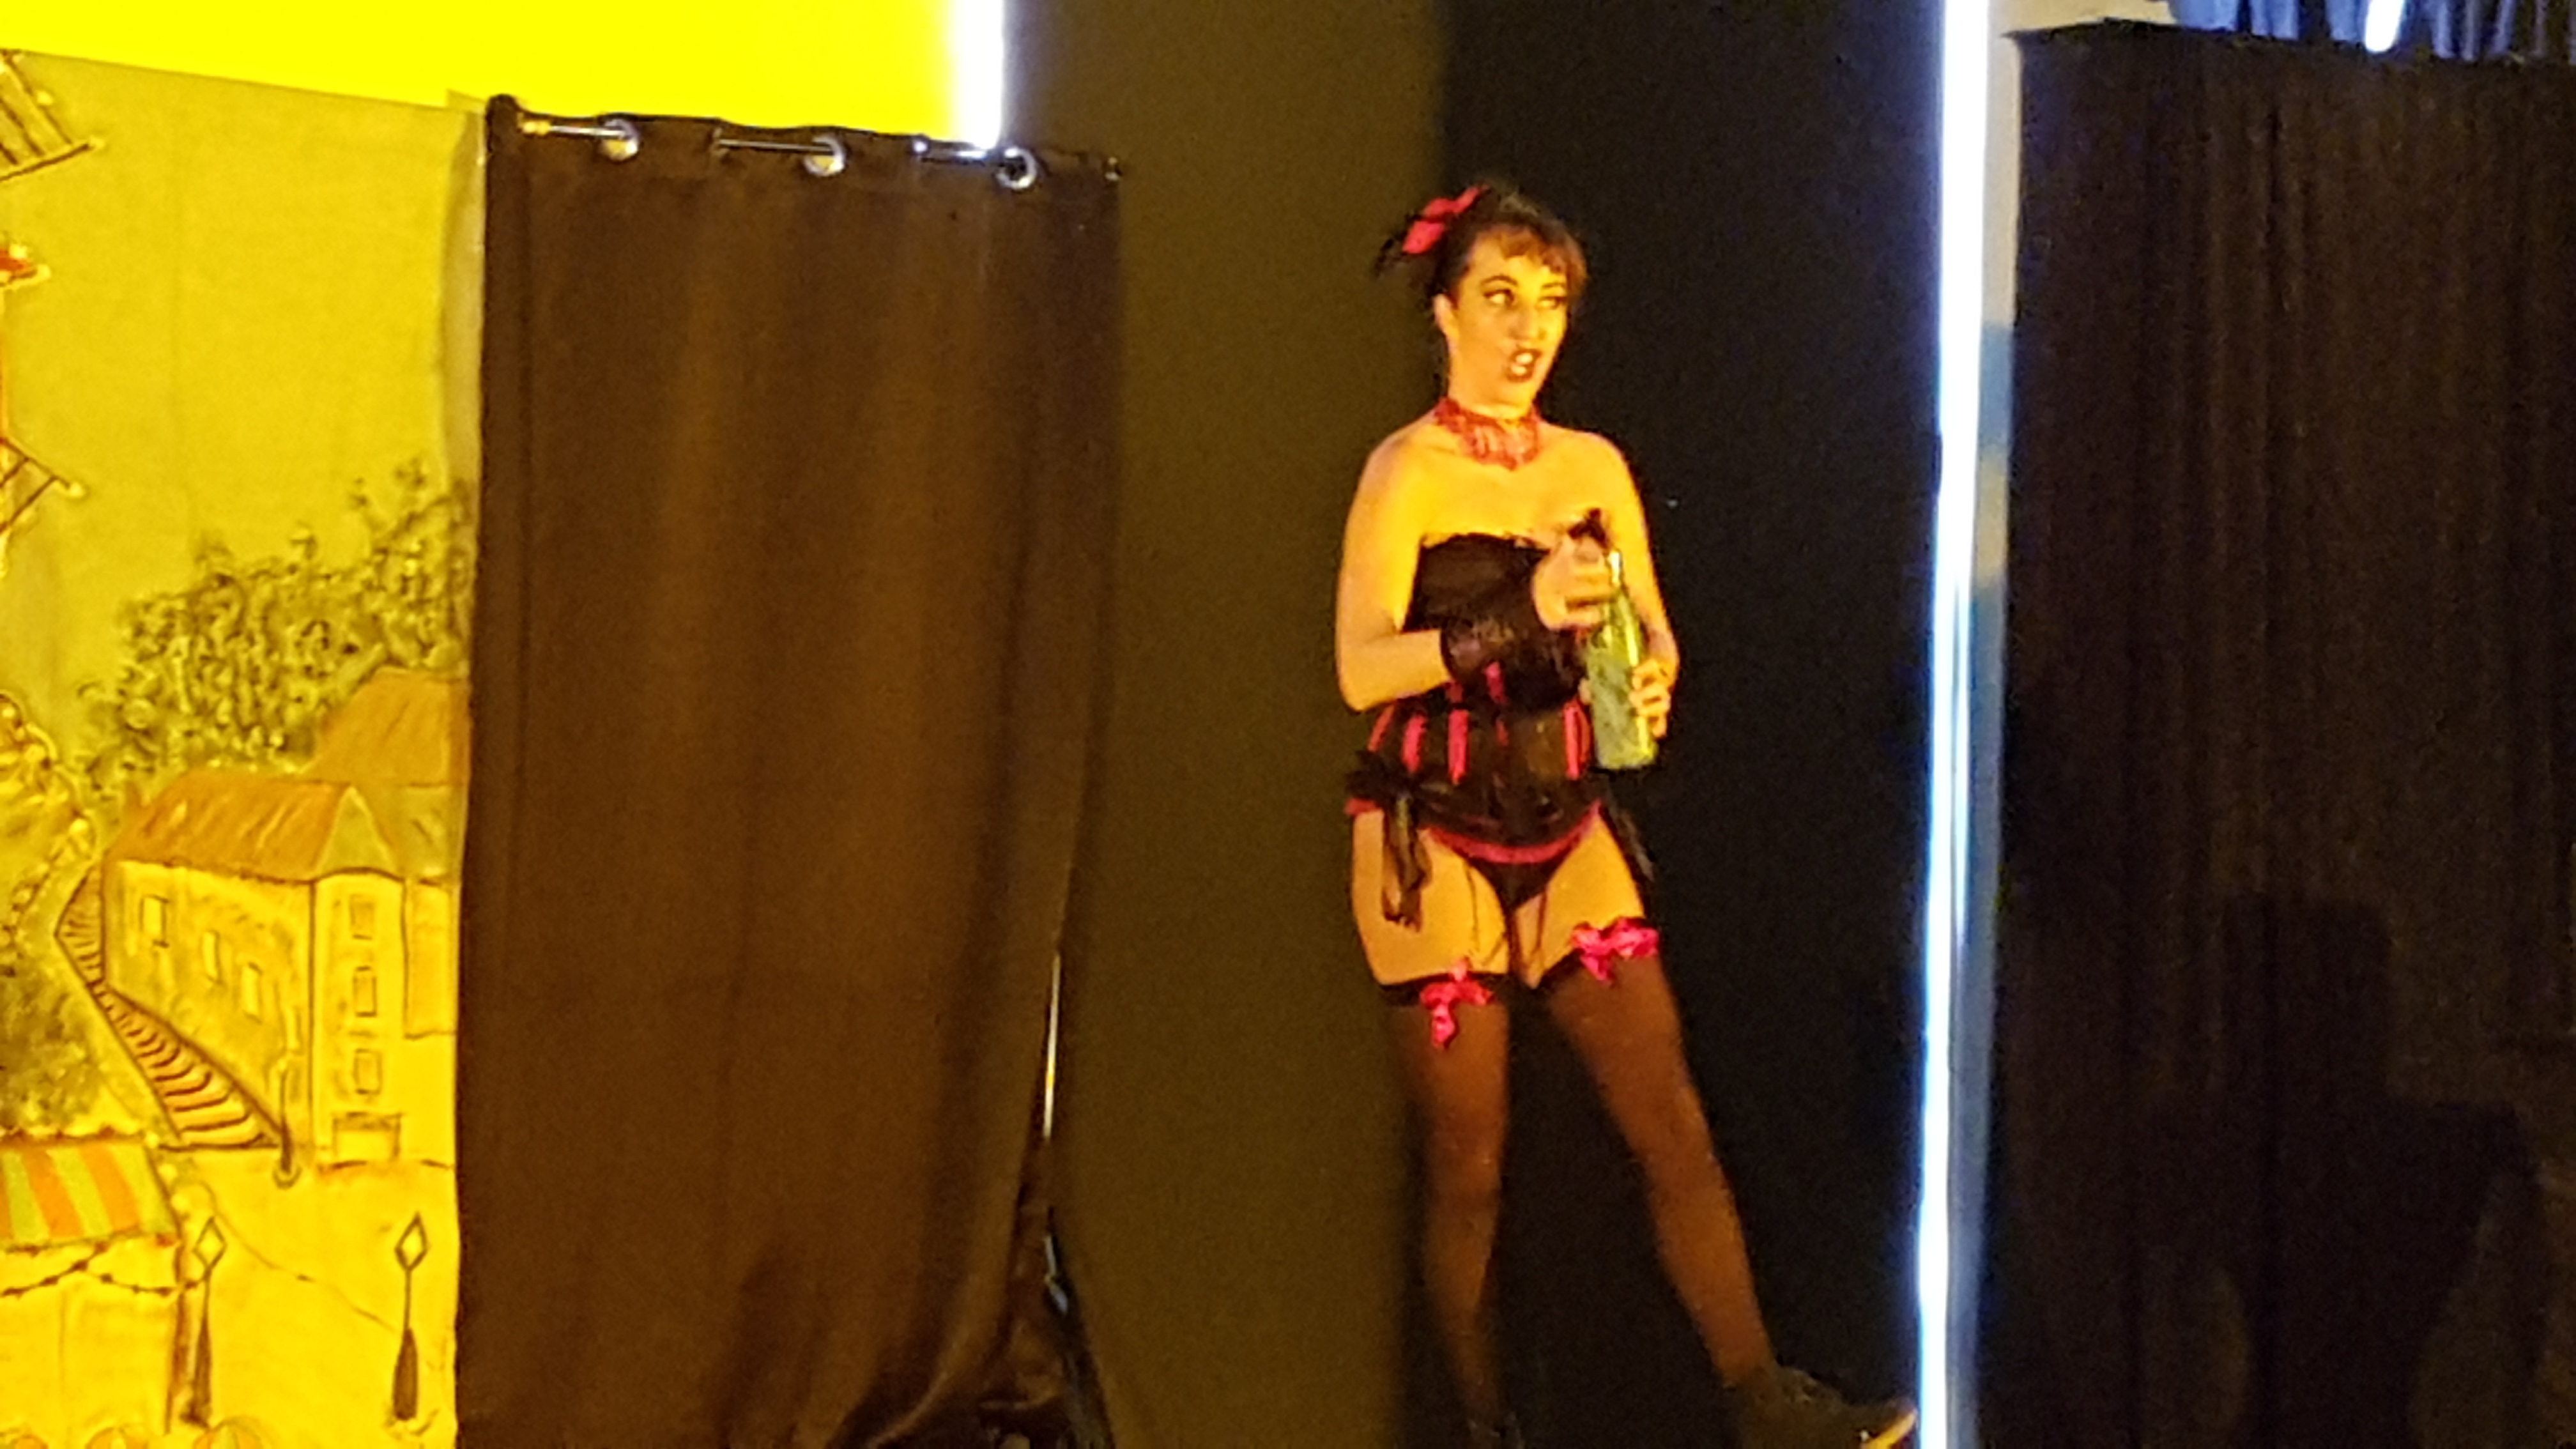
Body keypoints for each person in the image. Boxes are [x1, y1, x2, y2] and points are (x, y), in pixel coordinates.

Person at [1336, 183, 1917, 1449]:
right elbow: (1361, 668)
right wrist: (1517, 614)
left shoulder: (1591, 467)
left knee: (1673, 1122)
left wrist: (1648, 675)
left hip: (1567, 823)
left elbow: (1647, 634)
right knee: (1471, 1163)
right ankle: (1480, 1427)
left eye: (1548, 302)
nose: (1527, 328)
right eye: (1500, 298)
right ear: (1445, 314)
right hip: (1430, 830)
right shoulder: (1407, 472)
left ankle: (1764, 1402)